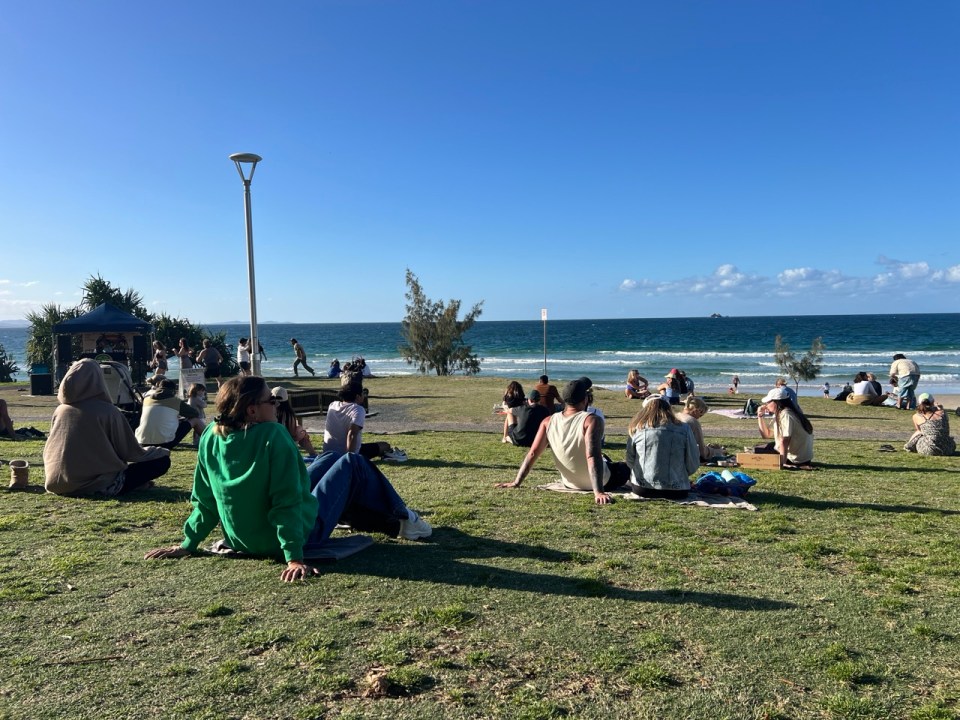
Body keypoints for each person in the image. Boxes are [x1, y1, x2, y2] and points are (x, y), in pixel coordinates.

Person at [144, 375, 431, 583]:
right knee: (353, 462)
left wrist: (188, 543)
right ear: (252, 410)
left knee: (330, 458)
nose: (277, 406)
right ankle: (405, 517)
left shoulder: (210, 435)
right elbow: (286, 500)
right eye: (271, 401)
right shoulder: (274, 435)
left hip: (242, 537)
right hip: (286, 539)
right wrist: (293, 556)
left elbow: (205, 499)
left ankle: (383, 516)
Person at [43, 358, 171, 496]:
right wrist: (159, 451)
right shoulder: (108, 411)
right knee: (162, 461)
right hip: (96, 484)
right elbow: (130, 452)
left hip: (57, 483)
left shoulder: (60, 410)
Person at [496, 377, 618, 505]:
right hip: (602, 481)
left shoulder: (548, 421)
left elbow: (533, 453)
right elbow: (592, 456)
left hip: (570, 483)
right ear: (585, 399)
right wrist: (598, 492)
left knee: (605, 459)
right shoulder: (591, 420)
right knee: (623, 467)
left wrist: (516, 482)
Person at [625, 396, 700, 498]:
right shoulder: (684, 428)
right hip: (677, 489)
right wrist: (681, 475)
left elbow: (630, 459)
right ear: (669, 408)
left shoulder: (637, 428)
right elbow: (693, 461)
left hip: (643, 488)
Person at [323, 383, 406, 461]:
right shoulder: (358, 409)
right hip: (347, 453)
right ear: (357, 396)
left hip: (328, 452)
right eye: (362, 393)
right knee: (385, 445)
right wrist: (349, 459)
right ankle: (389, 455)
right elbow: (352, 434)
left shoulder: (333, 405)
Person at [135, 377, 205, 449]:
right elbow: (195, 413)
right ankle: (209, 440)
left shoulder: (146, 400)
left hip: (141, 442)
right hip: (165, 443)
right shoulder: (175, 401)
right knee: (195, 420)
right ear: (173, 390)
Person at [757, 386, 815, 469]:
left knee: (755, 452)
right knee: (760, 448)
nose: (766, 405)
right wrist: (760, 416)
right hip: (802, 458)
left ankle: (784, 460)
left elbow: (784, 440)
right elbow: (766, 435)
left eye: (768, 402)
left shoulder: (786, 415)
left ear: (776, 402)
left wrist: (782, 463)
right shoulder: (786, 413)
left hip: (794, 459)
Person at [676, 396, 725, 462]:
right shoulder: (692, 422)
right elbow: (702, 452)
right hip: (685, 455)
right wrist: (717, 451)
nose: (699, 418)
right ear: (697, 411)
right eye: (700, 415)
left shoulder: (675, 416)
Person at [273, 386, 317, 454]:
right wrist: (302, 433)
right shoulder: (288, 414)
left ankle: (313, 454)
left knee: (300, 430)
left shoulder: (269, 412)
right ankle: (313, 454)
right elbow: (293, 435)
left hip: (273, 443)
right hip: (287, 445)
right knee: (301, 431)